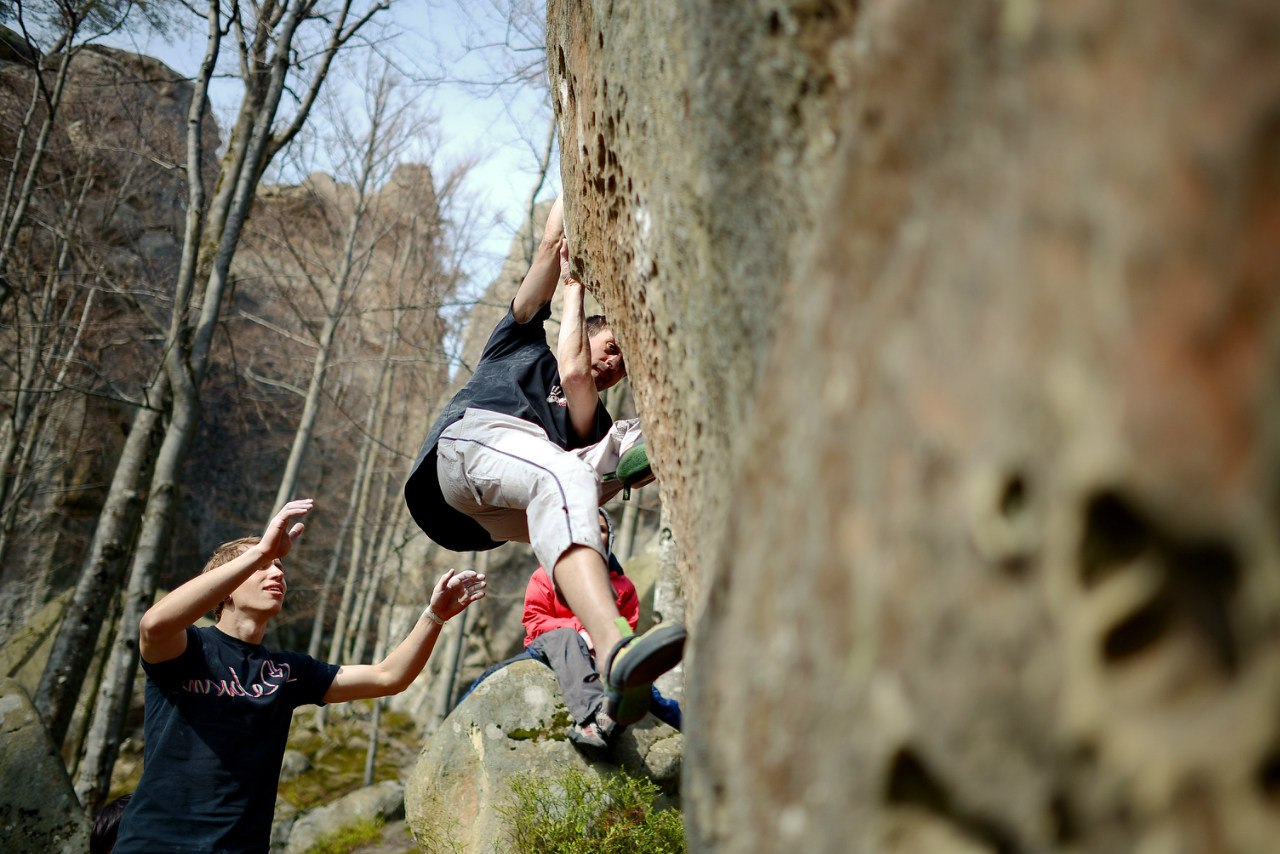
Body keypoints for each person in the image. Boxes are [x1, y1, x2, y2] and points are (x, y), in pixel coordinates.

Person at [404, 197, 683, 724]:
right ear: (589, 331)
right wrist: (571, 271)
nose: (614, 364)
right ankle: (614, 647)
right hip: (468, 450)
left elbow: (579, 378)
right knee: (570, 470)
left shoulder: (588, 415)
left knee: (586, 473)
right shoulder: (521, 343)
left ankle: (610, 675)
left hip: (492, 514)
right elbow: (549, 254)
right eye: (612, 346)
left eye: (623, 362)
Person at [112, 499, 486, 854]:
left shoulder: (287, 671)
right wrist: (261, 550)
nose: (276, 571)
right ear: (225, 589)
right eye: (262, 567)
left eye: (280, 567)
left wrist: (434, 616)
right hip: (155, 841)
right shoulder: (188, 648)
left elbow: (390, 676)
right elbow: (154, 624)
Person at [523, 508, 680, 754]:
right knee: (567, 637)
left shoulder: (623, 586)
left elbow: (623, 626)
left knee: (639, 681)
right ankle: (590, 721)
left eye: (603, 529)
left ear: (610, 539)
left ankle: (688, 728)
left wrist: (614, 643)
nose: (596, 534)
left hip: (597, 655)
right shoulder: (546, 574)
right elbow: (533, 621)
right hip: (550, 647)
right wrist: (583, 632)